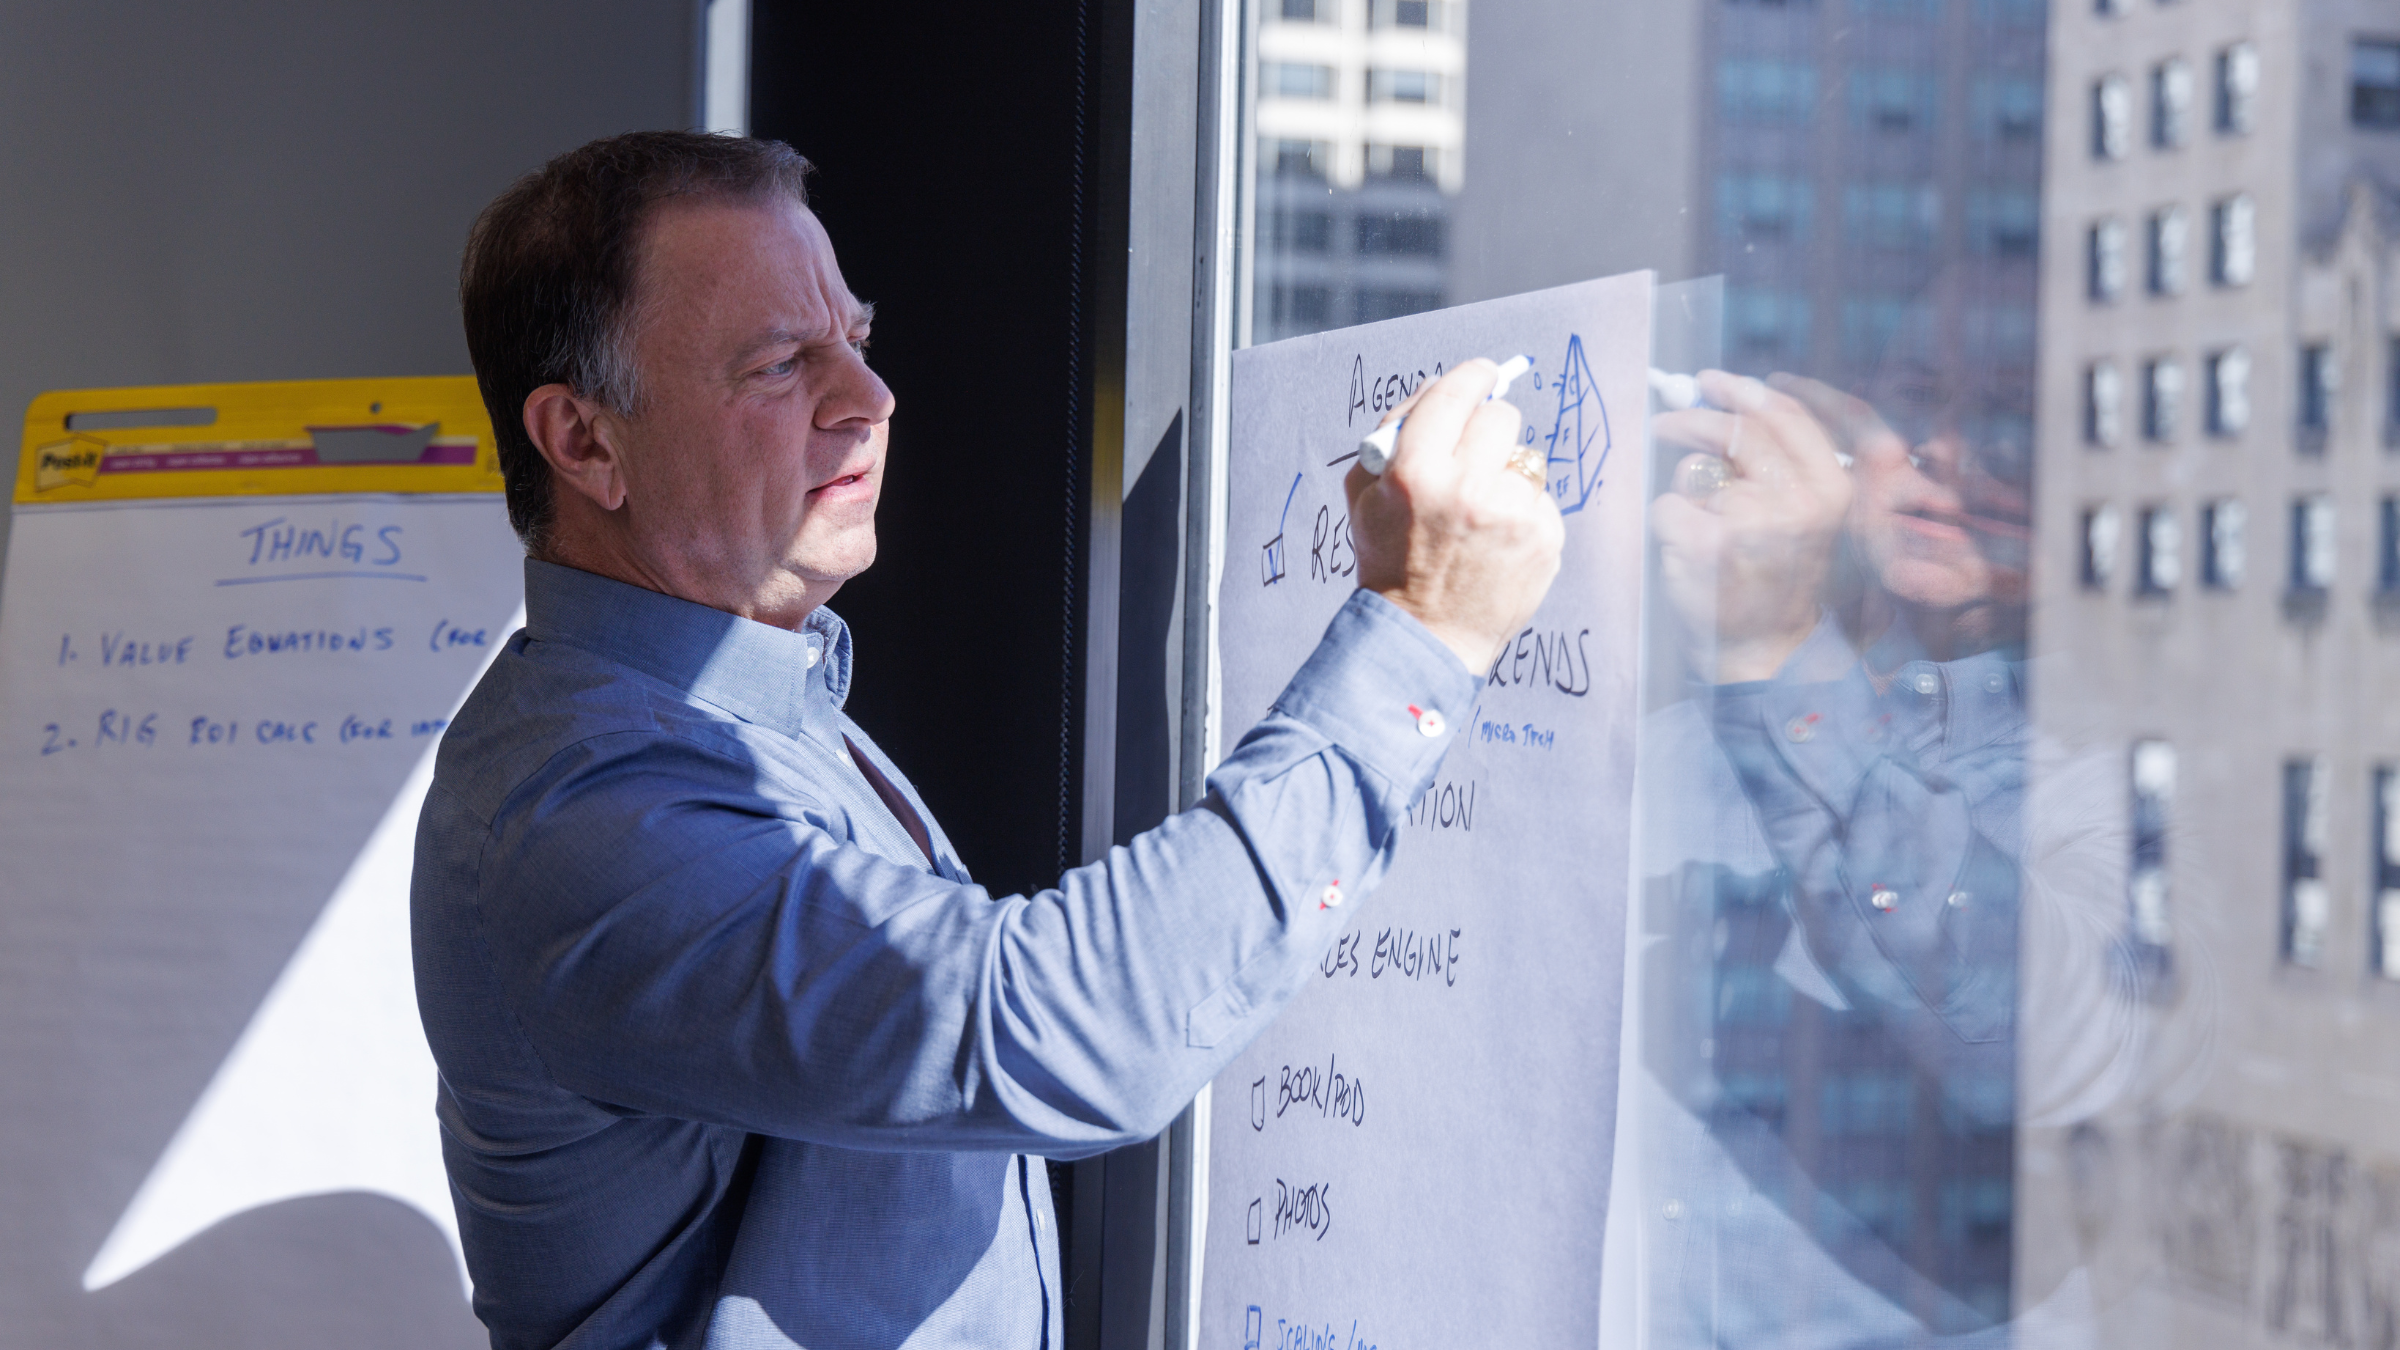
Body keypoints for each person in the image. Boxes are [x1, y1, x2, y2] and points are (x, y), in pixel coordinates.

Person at [410, 131, 1562, 1350]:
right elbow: (1061, 1028)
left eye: (856, 341)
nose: (871, 401)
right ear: (585, 442)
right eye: (781, 365)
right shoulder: (583, 814)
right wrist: (1422, 629)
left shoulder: (747, 707)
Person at [1634, 347, 2188, 1346]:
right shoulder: (1697, 731)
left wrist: (1781, 660)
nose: (1945, 451)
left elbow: (2031, 1051)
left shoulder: (2136, 773)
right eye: (1916, 398)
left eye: (2013, 415)